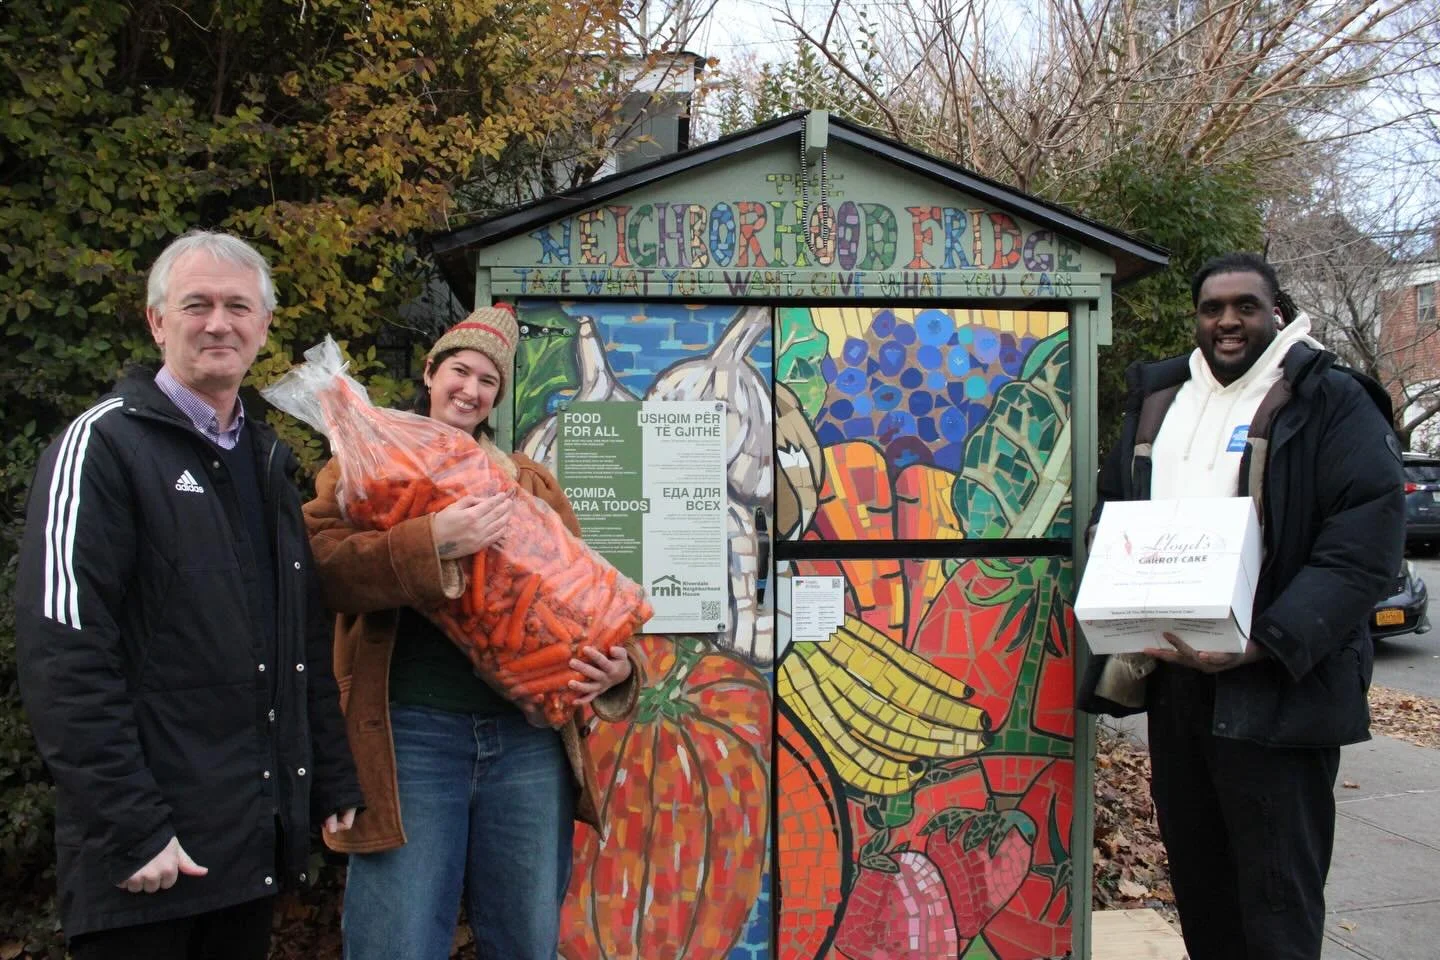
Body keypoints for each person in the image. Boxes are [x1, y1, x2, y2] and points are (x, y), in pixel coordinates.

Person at [13, 230, 362, 960]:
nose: (218, 323)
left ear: (263, 327)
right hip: (144, 867)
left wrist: (328, 779)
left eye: (239, 306)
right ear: (155, 320)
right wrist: (134, 828)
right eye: (196, 304)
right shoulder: (101, 448)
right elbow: (64, 657)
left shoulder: (266, 460)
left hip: (246, 852)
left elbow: (298, 641)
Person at [1079, 252, 1405, 959]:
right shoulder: (1162, 399)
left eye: (1245, 306)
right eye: (1212, 307)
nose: (1227, 321)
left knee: (1277, 897)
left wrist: (1266, 642)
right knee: (1201, 886)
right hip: (1178, 685)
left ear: (1277, 312)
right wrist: (1110, 556)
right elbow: (1113, 506)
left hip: (1279, 690)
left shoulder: (1331, 400)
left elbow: (1363, 547)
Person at [303, 304, 643, 960]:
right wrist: (428, 542)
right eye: (459, 370)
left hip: (527, 746)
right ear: (430, 372)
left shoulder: (528, 483)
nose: (471, 388)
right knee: (396, 940)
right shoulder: (365, 469)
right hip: (410, 736)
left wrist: (622, 669)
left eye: (488, 380)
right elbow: (319, 572)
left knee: (524, 938)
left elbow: (584, 603)